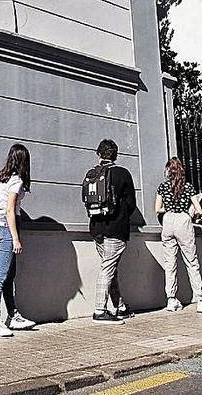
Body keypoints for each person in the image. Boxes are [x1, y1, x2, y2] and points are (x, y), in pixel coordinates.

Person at [0, 144, 38, 337]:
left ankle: (13, 316)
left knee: (8, 275)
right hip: (8, 227)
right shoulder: (16, 180)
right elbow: (10, 210)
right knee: (1, 275)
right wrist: (15, 238)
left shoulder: (1, 177)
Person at [154, 158, 202, 314]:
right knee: (191, 261)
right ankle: (200, 299)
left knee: (170, 263)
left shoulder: (163, 187)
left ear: (168, 171)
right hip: (183, 220)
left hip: (168, 220)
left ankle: (171, 299)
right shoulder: (188, 187)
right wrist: (190, 212)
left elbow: (157, 208)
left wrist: (168, 207)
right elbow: (199, 209)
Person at [88, 138, 136, 324]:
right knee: (107, 268)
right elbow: (131, 204)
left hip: (96, 229)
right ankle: (100, 310)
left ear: (98, 154)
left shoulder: (92, 173)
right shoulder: (123, 174)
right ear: (115, 155)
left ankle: (120, 307)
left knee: (110, 267)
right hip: (115, 228)